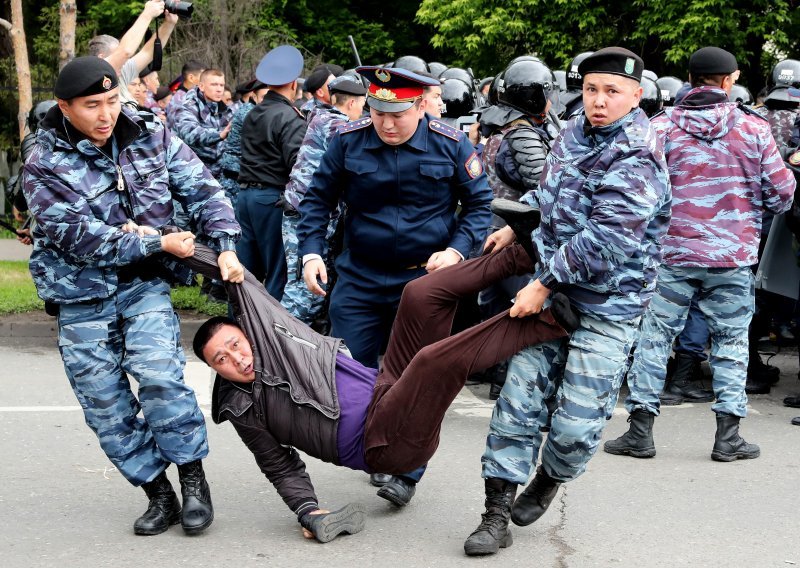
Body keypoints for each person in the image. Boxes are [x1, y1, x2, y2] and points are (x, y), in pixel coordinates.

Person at [190, 241, 577, 543]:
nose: (236, 360)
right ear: (214, 371)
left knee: (418, 296)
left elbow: (230, 273)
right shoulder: (244, 408)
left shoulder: (267, 328)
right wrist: (308, 510)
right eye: (221, 360)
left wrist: (166, 243)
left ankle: (525, 254)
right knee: (432, 362)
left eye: (235, 345)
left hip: (386, 386)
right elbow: (279, 465)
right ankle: (547, 322)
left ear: (247, 332)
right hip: (383, 444)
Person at [21, 57, 243, 536]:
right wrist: (155, 241)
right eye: (92, 105)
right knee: (106, 403)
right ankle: (157, 493)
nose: (106, 114)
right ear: (64, 107)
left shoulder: (150, 131)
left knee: (162, 378)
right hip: (79, 295)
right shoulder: (43, 160)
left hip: (142, 285)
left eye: (112, 100)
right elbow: (78, 237)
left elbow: (204, 188)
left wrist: (224, 246)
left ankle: (193, 481)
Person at [463, 47, 672, 556]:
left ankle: (551, 476)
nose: (599, 101)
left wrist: (543, 284)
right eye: (593, 89)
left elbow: (607, 239)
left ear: (636, 96)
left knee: (578, 425)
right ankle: (495, 513)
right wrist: (517, 225)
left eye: (612, 92)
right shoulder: (573, 133)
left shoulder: (640, 154)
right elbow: (553, 195)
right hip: (553, 300)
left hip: (608, 306)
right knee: (517, 403)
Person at [297, 65, 492, 502]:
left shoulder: (450, 143)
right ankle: (371, 447)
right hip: (360, 276)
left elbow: (479, 204)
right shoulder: (348, 141)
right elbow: (317, 200)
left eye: (398, 114)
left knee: (417, 376)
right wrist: (311, 253)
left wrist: (457, 251)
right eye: (378, 111)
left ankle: (406, 468)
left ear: (421, 106)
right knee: (347, 370)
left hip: (424, 281)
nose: (387, 123)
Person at [604, 47, 795, 462]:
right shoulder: (754, 129)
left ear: (689, 79)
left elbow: (634, 192)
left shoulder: (660, 127)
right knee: (730, 343)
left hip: (670, 256)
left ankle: (640, 432)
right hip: (732, 258)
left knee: (654, 340)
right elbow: (782, 194)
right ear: (729, 81)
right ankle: (728, 437)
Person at [280, 76, 367, 324]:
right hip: (306, 215)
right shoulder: (333, 124)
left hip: (312, 212)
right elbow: (358, 147)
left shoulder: (320, 114)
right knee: (304, 291)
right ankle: (280, 348)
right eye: (362, 105)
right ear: (351, 103)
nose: (363, 111)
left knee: (315, 288)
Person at [237, 46, 307, 300]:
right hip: (271, 200)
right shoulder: (289, 117)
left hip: (245, 197)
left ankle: (238, 328)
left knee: (244, 275)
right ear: (292, 84)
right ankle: (269, 336)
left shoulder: (253, 112)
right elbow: (298, 166)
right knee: (278, 273)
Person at [88, 1, 178, 106]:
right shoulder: (94, 76)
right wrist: (147, 14)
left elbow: (148, 52)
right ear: (101, 58)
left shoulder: (121, 72)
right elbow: (125, 51)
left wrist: (169, 23)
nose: (124, 60)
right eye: (117, 54)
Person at [172, 69, 233, 179]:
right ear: (201, 86)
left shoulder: (224, 109)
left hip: (219, 174)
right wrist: (220, 135)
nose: (219, 89)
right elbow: (189, 134)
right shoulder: (187, 107)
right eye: (214, 85)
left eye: (221, 85)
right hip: (191, 174)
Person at [166, 60, 207, 129]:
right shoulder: (180, 100)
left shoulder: (195, 95)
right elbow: (178, 126)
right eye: (203, 77)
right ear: (191, 78)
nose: (206, 81)